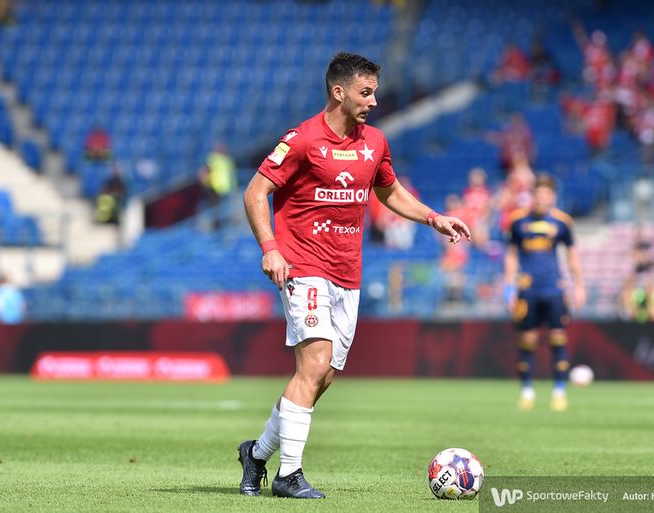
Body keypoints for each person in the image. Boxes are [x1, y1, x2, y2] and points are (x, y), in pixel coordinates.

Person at [238, 52, 471, 499]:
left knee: (321, 378)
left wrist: (433, 217)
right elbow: (255, 192)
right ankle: (289, 476)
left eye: (375, 92)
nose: (374, 101)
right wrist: (270, 248)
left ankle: (257, 453)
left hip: (348, 274)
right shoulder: (302, 140)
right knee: (315, 363)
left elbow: (389, 191)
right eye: (366, 93)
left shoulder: (375, 142)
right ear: (338, 92)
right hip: (304, 266)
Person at [503, 173, 586, 412]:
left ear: (553, 197)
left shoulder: (562, 222)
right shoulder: (518, 221)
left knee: (557, 338)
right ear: (532, 196)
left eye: (546, 194)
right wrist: (508, 286)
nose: (541, 198)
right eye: (538, 194)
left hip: (554, 289)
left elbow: (572, 255)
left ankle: (559, 391)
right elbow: (511, 254)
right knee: (527, 340)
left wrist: (579, 285)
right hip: (527, 289)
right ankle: (527, 391)